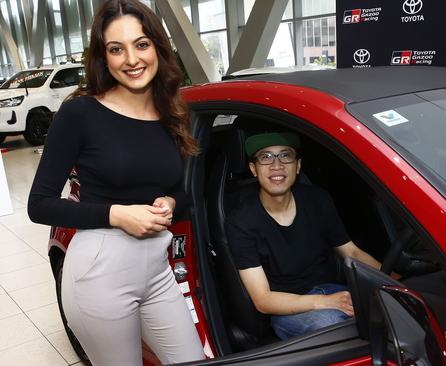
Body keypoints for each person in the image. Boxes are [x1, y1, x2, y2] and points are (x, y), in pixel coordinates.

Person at [27, 0, 204, 364]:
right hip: (99, 275)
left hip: (157, 268)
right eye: (116, 49)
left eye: (141, 44)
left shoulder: (170, 111)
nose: (132, 59)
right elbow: (39, 203)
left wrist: (171, 202)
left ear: (157, 46)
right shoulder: (81, 113)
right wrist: (117, 215)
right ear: (102, 58)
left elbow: (182, 191)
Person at [225, 132, 386, 340]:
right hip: (290, 309)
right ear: (253, 169)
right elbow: (263, 300)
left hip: (336, 292)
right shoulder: (241, 221)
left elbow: (351, 251)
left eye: (285, 156)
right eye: (266, 157)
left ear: (298, 166)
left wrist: (390, 279)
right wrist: (325, 302)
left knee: (390, 309)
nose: (276, 165)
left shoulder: (317, 199)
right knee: (336, 327)